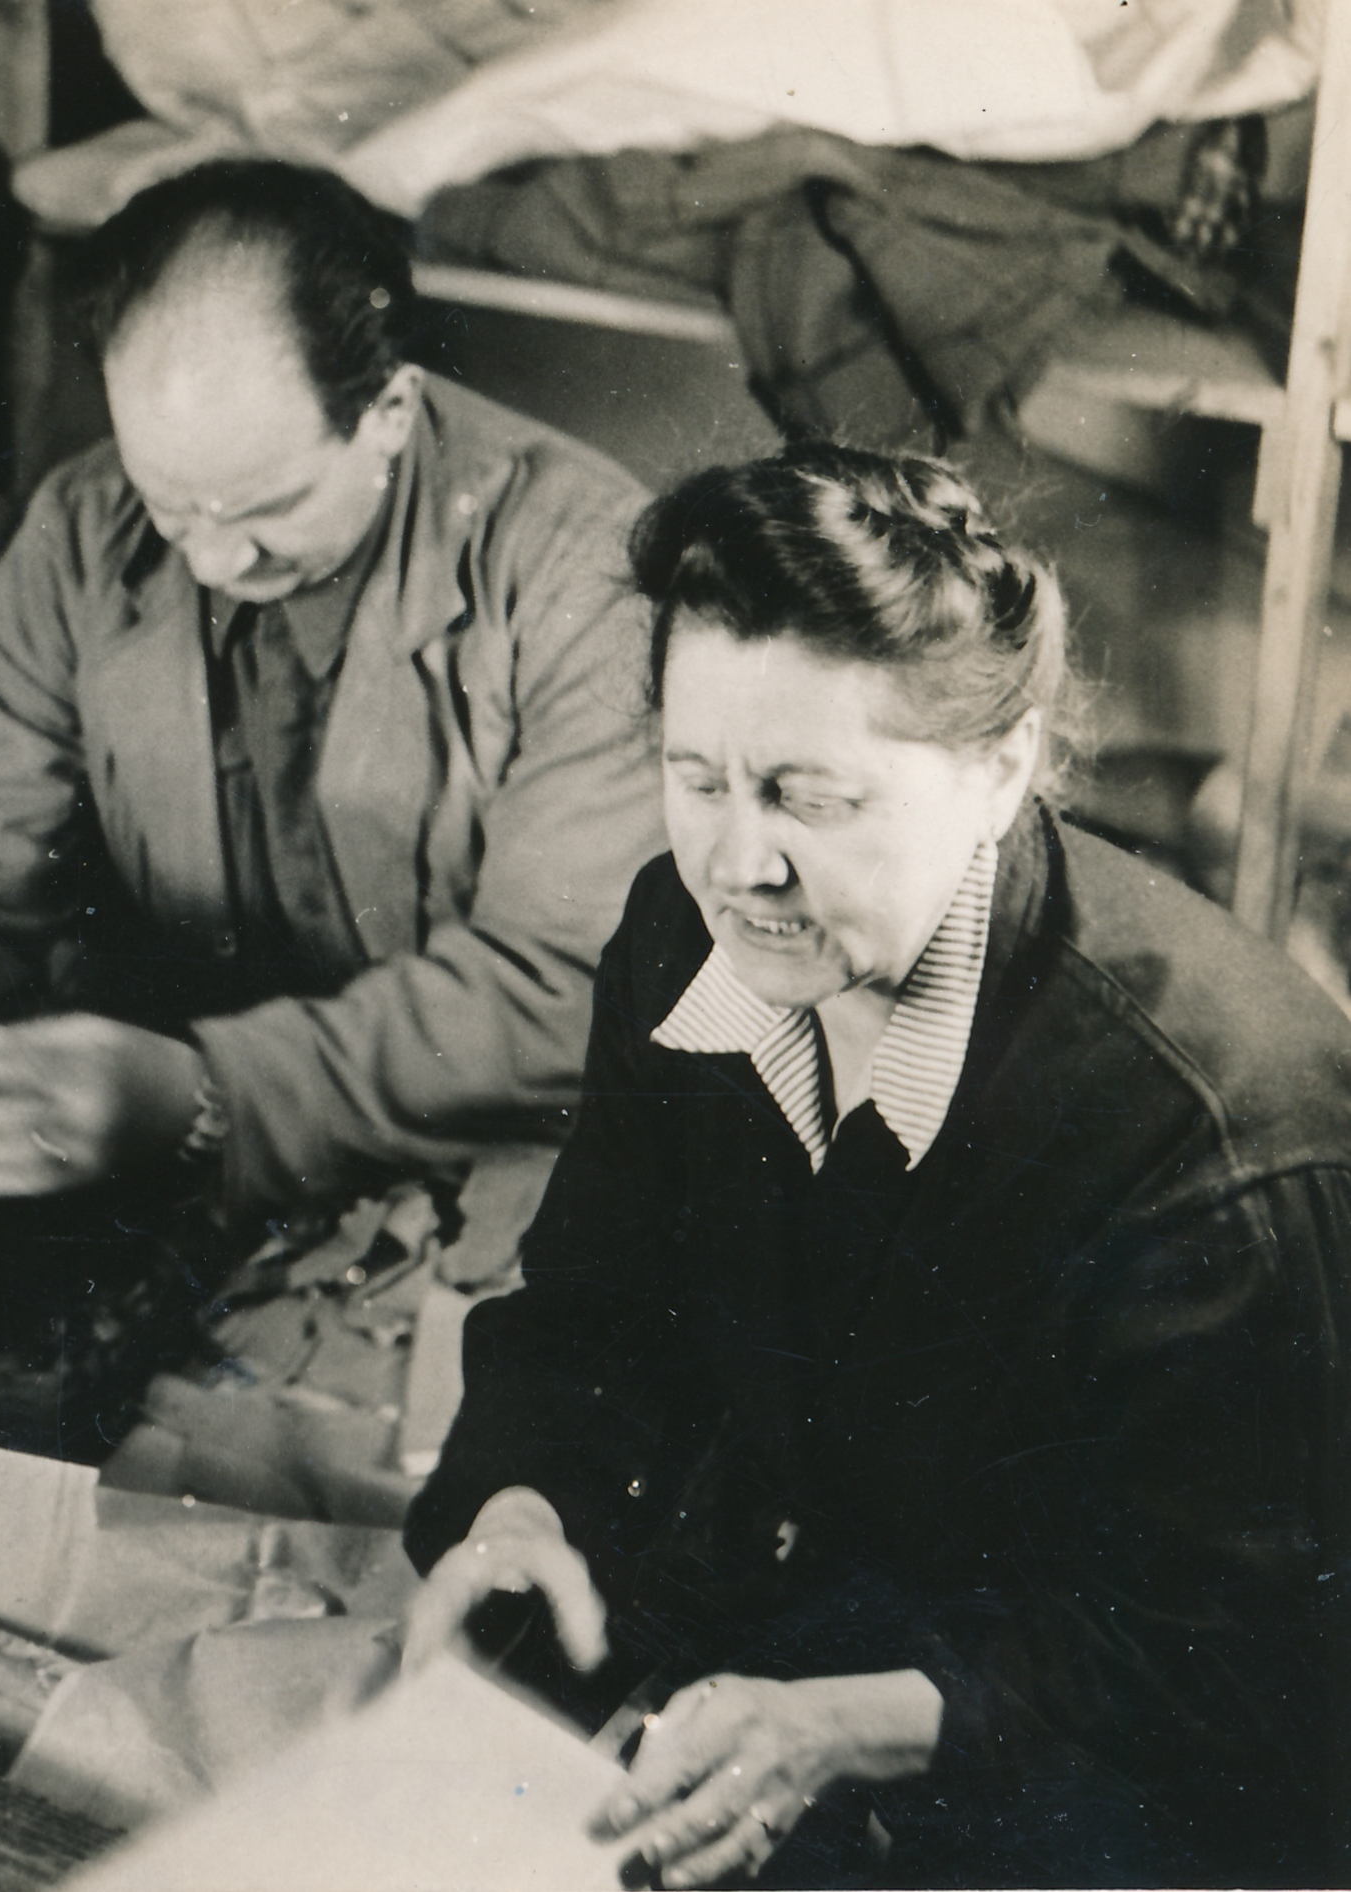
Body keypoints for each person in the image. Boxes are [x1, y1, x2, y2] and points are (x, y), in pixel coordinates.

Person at [402, 442, 1351, 1886]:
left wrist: (863, 1724)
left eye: (811, 798)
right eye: (696, 778)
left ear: (1001, 769)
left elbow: (1249, 1668)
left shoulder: (1212, 1136)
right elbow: (594, 1314)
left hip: (1114, 1767)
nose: (739, 863)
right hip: (818, 1629)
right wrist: (521, 1500)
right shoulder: (682, 937)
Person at [0, 159, 666, 1266]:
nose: (213, 559)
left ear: (390, 409)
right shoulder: (87, 526)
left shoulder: (586, 571)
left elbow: (564, 986)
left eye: (265, 508)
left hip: (471, 1145)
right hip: (150, 1134)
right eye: (171, 505)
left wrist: (214, 1090)